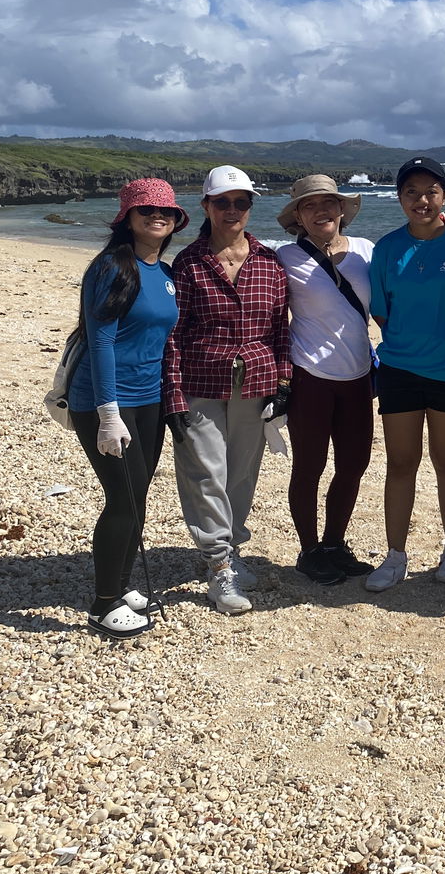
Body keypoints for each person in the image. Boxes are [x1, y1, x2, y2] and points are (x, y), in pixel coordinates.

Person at [163, 165, 293, 615]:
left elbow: (280, 330)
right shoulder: (188, 263)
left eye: (241, 202)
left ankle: (231, 549)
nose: (232, 210)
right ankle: (219, 566)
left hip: (256, 381)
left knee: (240, 473)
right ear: (206, 206)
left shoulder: (269, 263)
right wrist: (172, 395)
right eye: (223, 202)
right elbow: (173, 336)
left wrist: (284, 381)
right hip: (200, 380)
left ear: (250, 207)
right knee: (205, 473)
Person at [66, 178, 188, 639]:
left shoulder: (165, 273)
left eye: (166, 210)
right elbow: (100, 342)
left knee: (138, 495)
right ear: (128, 217)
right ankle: (102, 605)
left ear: (176, 220)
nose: (157, 216)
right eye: (147, 209)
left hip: (149, 399)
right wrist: (107, 413)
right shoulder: (111, 267)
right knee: (123, 499)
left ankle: (119, 586)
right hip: (106, 400)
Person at [364, 156, 445, 591]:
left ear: (444, 196)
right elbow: (381, 312)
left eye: (431, 191)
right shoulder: (387, 248)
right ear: (399, 198)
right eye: (411, 192)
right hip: (399, 368)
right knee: (401, 463)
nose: (422, 200)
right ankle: (395, 556)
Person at [274, 175, 377, 585]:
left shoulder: (366, 250)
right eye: (309, 205)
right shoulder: (284, 256)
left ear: (341, 209)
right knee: (309, 466)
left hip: (359, 375)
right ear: (298, 216)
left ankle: (334, 544)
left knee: (353, 464)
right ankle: (309, 550)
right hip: (309, 375)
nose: (321, 211)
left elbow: (399, 291)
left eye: (328, 203)